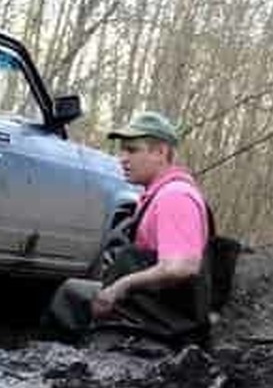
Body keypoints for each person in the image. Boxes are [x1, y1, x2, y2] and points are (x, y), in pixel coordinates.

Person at [46, 111, 212, 348]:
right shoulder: (156, 194)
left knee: (73, 297)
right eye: (122, 150)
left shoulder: (175, 197)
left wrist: (120, 287)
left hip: (166, 320)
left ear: (160, 152)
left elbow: (181, 267)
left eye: (132, 150)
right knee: (73, 291)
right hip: (151, 305)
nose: (122, 158)